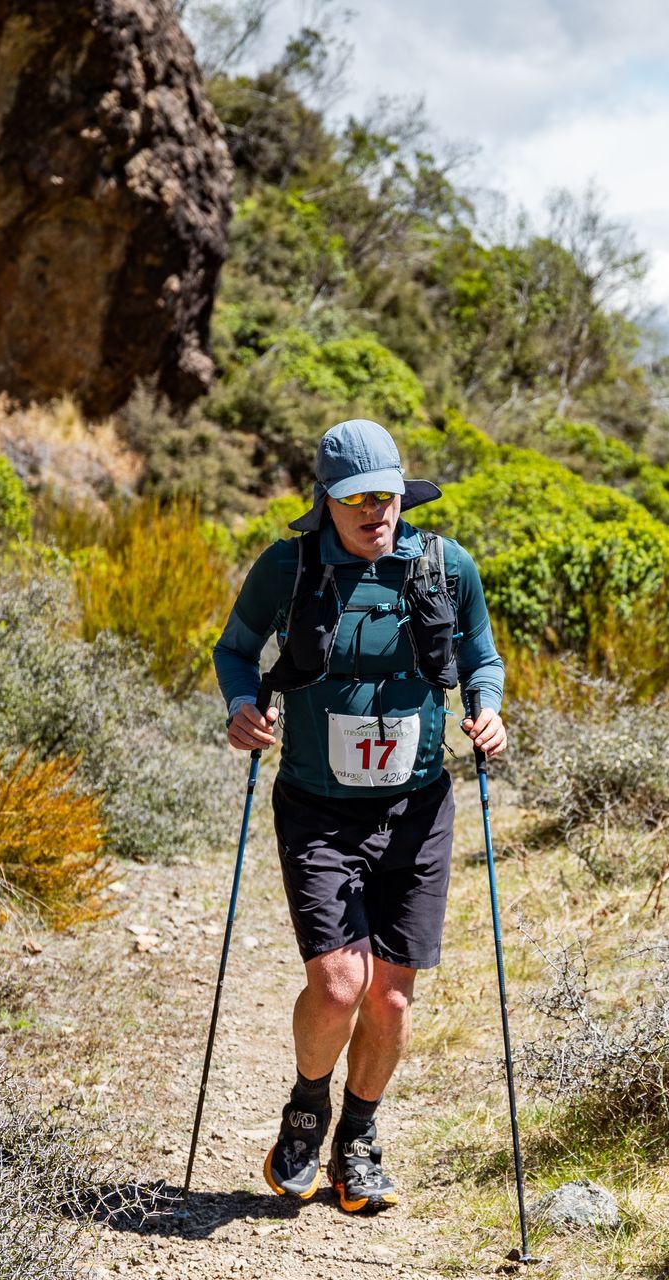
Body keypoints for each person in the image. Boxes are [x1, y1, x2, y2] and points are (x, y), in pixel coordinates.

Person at [212, 417, 507, 1214]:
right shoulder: (290, 567)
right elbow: (235, 650)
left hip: (418, 806)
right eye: (358, 499)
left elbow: (482, 655)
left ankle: (360, 1139)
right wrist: (244, 706)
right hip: (316, 806)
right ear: (328, 501)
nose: (377, 512)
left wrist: (487, 708)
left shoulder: (444, 566)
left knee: (392, 998)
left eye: (387, 496)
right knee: (342, 985)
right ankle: (308, 1110)